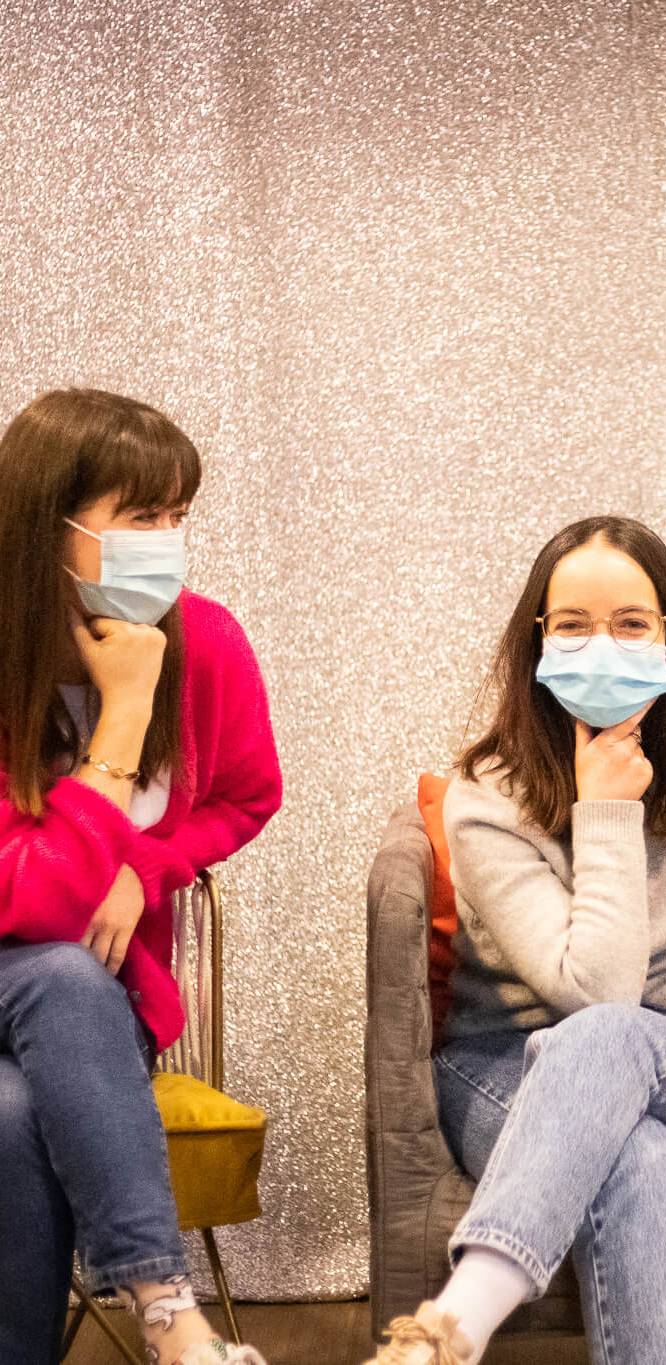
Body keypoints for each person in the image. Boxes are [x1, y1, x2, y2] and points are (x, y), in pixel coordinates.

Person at [369, 516, 666, 1365]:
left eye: (630, 623)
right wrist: (606, 810)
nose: (602, 644)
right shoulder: (489, 794)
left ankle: (459, 1319)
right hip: (505, 1062)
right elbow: (594, 987)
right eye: (573, 624)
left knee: (616, 1039)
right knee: (640, 1160)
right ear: (537, 640)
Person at [0, 389, 282, 1365]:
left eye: (177, 518)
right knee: (52, 965)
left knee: (15, 1111)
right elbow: (30, 899)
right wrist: (121, 722)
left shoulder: (206, 642)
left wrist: (142, 869)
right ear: (51, 528)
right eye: (138, 518)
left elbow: (249, 794)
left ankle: (161, 1315)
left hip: (86, 1023)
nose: (165, 542)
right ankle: (171, 1315)